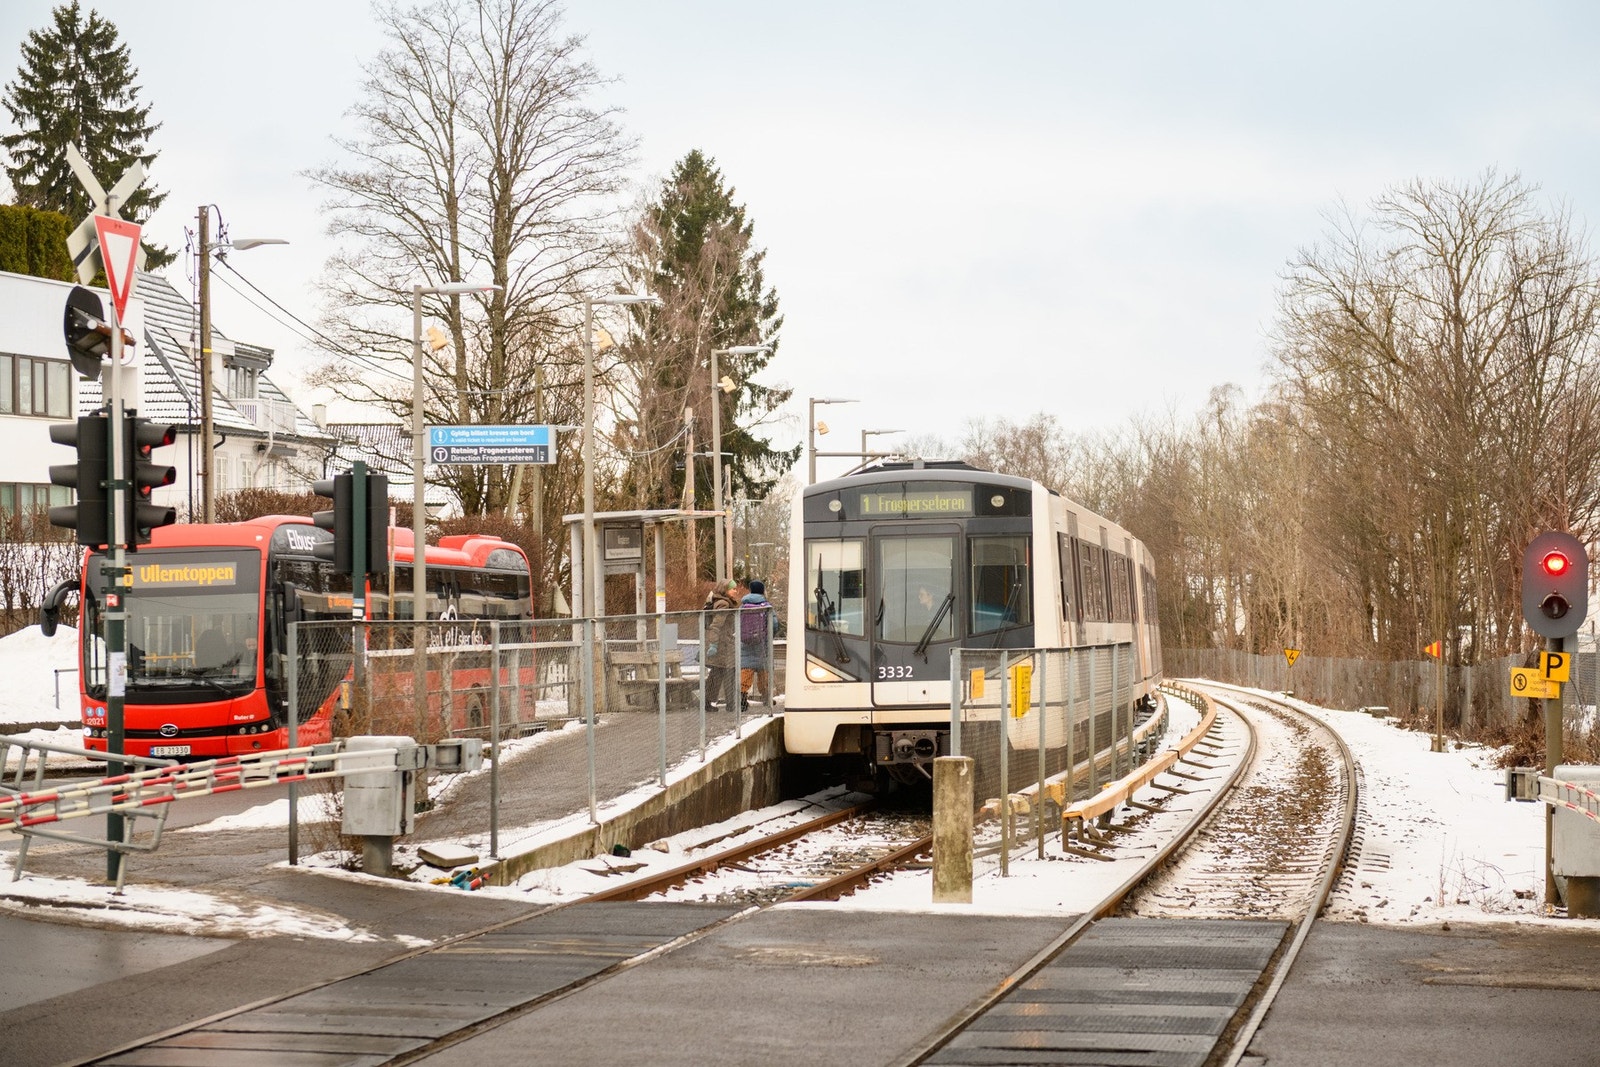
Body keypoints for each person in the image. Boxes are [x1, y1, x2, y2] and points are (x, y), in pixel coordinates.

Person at [702, 579, 739, 710]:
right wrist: (714, 644)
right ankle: (731, 704)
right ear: (725, 590)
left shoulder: (720, 602)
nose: (736, 591)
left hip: (722, 643)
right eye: (732, 588)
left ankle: (707, 702)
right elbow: (716, 626)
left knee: (717, 674)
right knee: (729, 673)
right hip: (722, 645)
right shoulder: (723, 604)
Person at [739, 578, 776, 709]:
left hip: (745, 645)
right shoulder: (766, 606)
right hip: (762, 646)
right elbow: (774, 625)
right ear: (762, 591)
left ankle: (742, 698)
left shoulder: (743, 606)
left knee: (745, 671)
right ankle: (766, 698)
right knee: (764, 672)